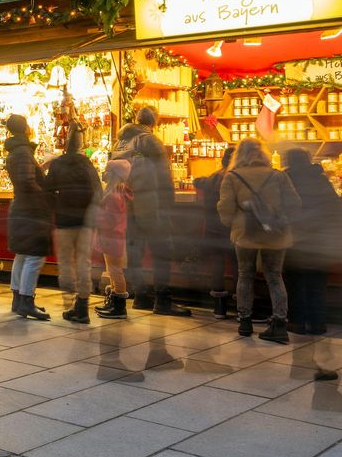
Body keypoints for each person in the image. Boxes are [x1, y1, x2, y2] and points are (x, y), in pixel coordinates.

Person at [217, 139, 301, 343]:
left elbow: (225, 210)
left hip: (245, 234)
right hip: (275, 234)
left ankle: (245, 322)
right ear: (263, 154)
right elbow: (295, 204)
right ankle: (280, 323)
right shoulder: (278, 175)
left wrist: (234, 223)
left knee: (245, 275)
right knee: (274, 276)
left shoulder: (233, 177)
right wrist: (276, 217)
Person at [111, 108, 190, 316]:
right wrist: (168, 205)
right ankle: (163, 300)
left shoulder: (120, 142)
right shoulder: (150, 141)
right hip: (152, 203)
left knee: (135, 250)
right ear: (154, 122)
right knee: (160, 251)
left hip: (129, 203)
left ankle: (140, 297)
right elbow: (164, 176)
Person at [44, 123, 101, 324]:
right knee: (84, 263)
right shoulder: (87, 164)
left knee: (66, 263)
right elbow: (98, 191)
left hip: (64, 221)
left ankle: (68, 303)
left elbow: (47, 189)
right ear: (81, 144)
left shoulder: (58, 164)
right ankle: (83, 306)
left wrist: (57, 205)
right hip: (86, 222)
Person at [282, 149, 339, 336]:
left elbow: (280, 207)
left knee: (295, 283)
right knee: (317, 284)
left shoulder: (286, 180)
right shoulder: (321, 179)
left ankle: (297, 322)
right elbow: (335, 207)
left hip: (295, 240)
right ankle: (318, 323)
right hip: (319, 242)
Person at [4, 114, 51, 320]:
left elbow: (26, 177)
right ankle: (26, 300)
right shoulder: (23, 152)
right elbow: (27, 181)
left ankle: (17, 298)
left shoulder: (17, 151)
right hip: (30, 210)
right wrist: (46, 196)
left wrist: (42, 167)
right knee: (34, 255)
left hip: (21, 208)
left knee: (23, 254)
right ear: (25, 128)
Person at [194, 145, 236, 318]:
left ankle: (219, 307)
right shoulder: (235, 178)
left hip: (213, 227)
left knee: (217, 264)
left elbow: (198, 181)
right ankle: (242, 306)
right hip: (231, 228)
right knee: (238, 266)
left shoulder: (214, 177)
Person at [94, 158, 132, 319]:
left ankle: (119, 307)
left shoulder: (112, 196)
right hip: (113, 236)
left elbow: (108, 219)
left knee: (115, 270)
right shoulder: (119, 192)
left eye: (107, 170)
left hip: (111, 236)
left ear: (113, 174)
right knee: (112, 270)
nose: (104, 173)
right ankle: (114, 302)